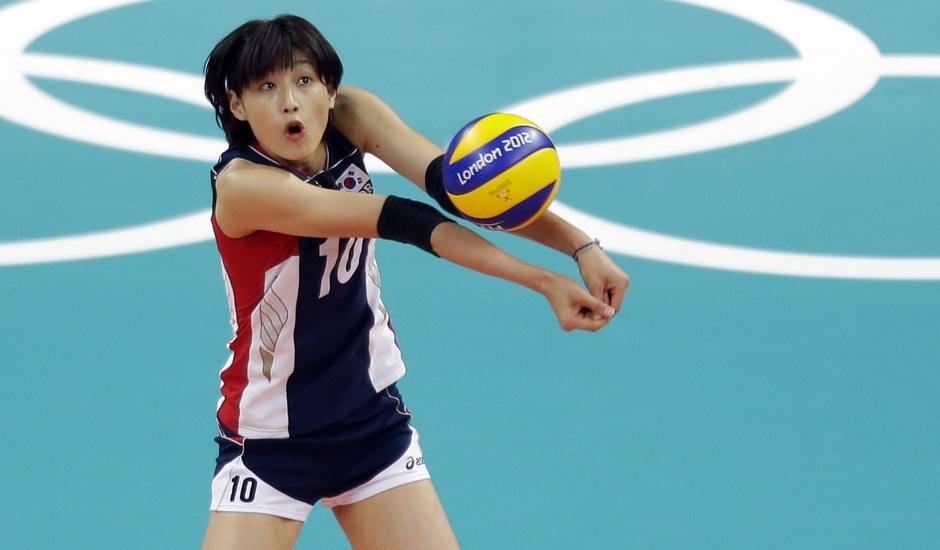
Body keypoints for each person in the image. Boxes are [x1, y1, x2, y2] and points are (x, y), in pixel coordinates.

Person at [200, 14, 629, 550]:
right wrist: (542, 282)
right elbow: (403, 219)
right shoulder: (244, 187)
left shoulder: (353, 114)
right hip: (270, 440)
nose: (290, 101)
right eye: (266, 87)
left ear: (330, 90)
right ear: (236, 105)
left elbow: (460, 189)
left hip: (368, 419)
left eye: (304, 81)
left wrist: (580, 247)